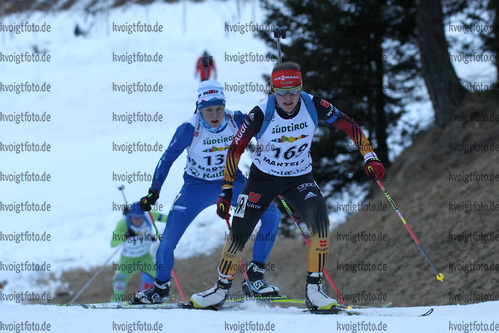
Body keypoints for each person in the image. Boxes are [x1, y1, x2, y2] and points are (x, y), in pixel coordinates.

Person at [188, 62, 385, 311]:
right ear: (273, 90)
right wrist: (227, 190)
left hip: (299, 178)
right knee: (240, 229)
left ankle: (314, 289)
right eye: (281, 92)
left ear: (301, 87)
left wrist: (370, 156)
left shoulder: (314, 104)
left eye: (294, 90)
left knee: (321, 222)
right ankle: (220, 289)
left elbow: (349, 125)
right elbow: (235, 150)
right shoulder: (259, 113)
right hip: (263, 177)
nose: (288, 97)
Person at [133, 80, 282, 304]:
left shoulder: (236, 120)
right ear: (199, 108)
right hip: (196, 187)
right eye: (208, 110)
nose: (214, 115)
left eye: (219, 108)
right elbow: (166, 160)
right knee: (169, 239)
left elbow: (268, 130)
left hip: (232, 184)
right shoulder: (188, 128)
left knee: (272, 215)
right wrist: (154, 191)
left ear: (225, 106)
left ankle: (255, 277)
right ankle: (160, 288)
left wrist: (277, 103)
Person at [110, 202, 167, 302]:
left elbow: (166, 218)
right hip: (127, 261)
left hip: (145, 258)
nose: (138, 221)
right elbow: (113, 244)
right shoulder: (123, 223)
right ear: (130, 215)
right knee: (119, 286)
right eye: (135, 218)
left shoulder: (149, 216)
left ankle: (162, 303)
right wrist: (125, 235)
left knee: (163, 279)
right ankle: (112, 307)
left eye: (140, 218)